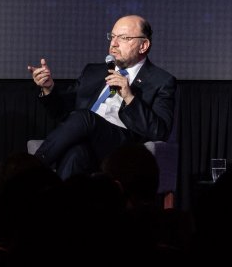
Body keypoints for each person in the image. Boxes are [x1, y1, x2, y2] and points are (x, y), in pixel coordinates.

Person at [27, 14, 176, 180]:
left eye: (124, 38)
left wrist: (129, 96)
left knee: (85, 117)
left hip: (124, 146)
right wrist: (48, 88)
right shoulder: (93, 72)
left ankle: (31, 169)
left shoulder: (161, 80)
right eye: (112, 37)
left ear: (143, 45)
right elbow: (63, 113)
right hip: (88, 141)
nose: (114, 43)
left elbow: (160, 131)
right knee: (76, 153)